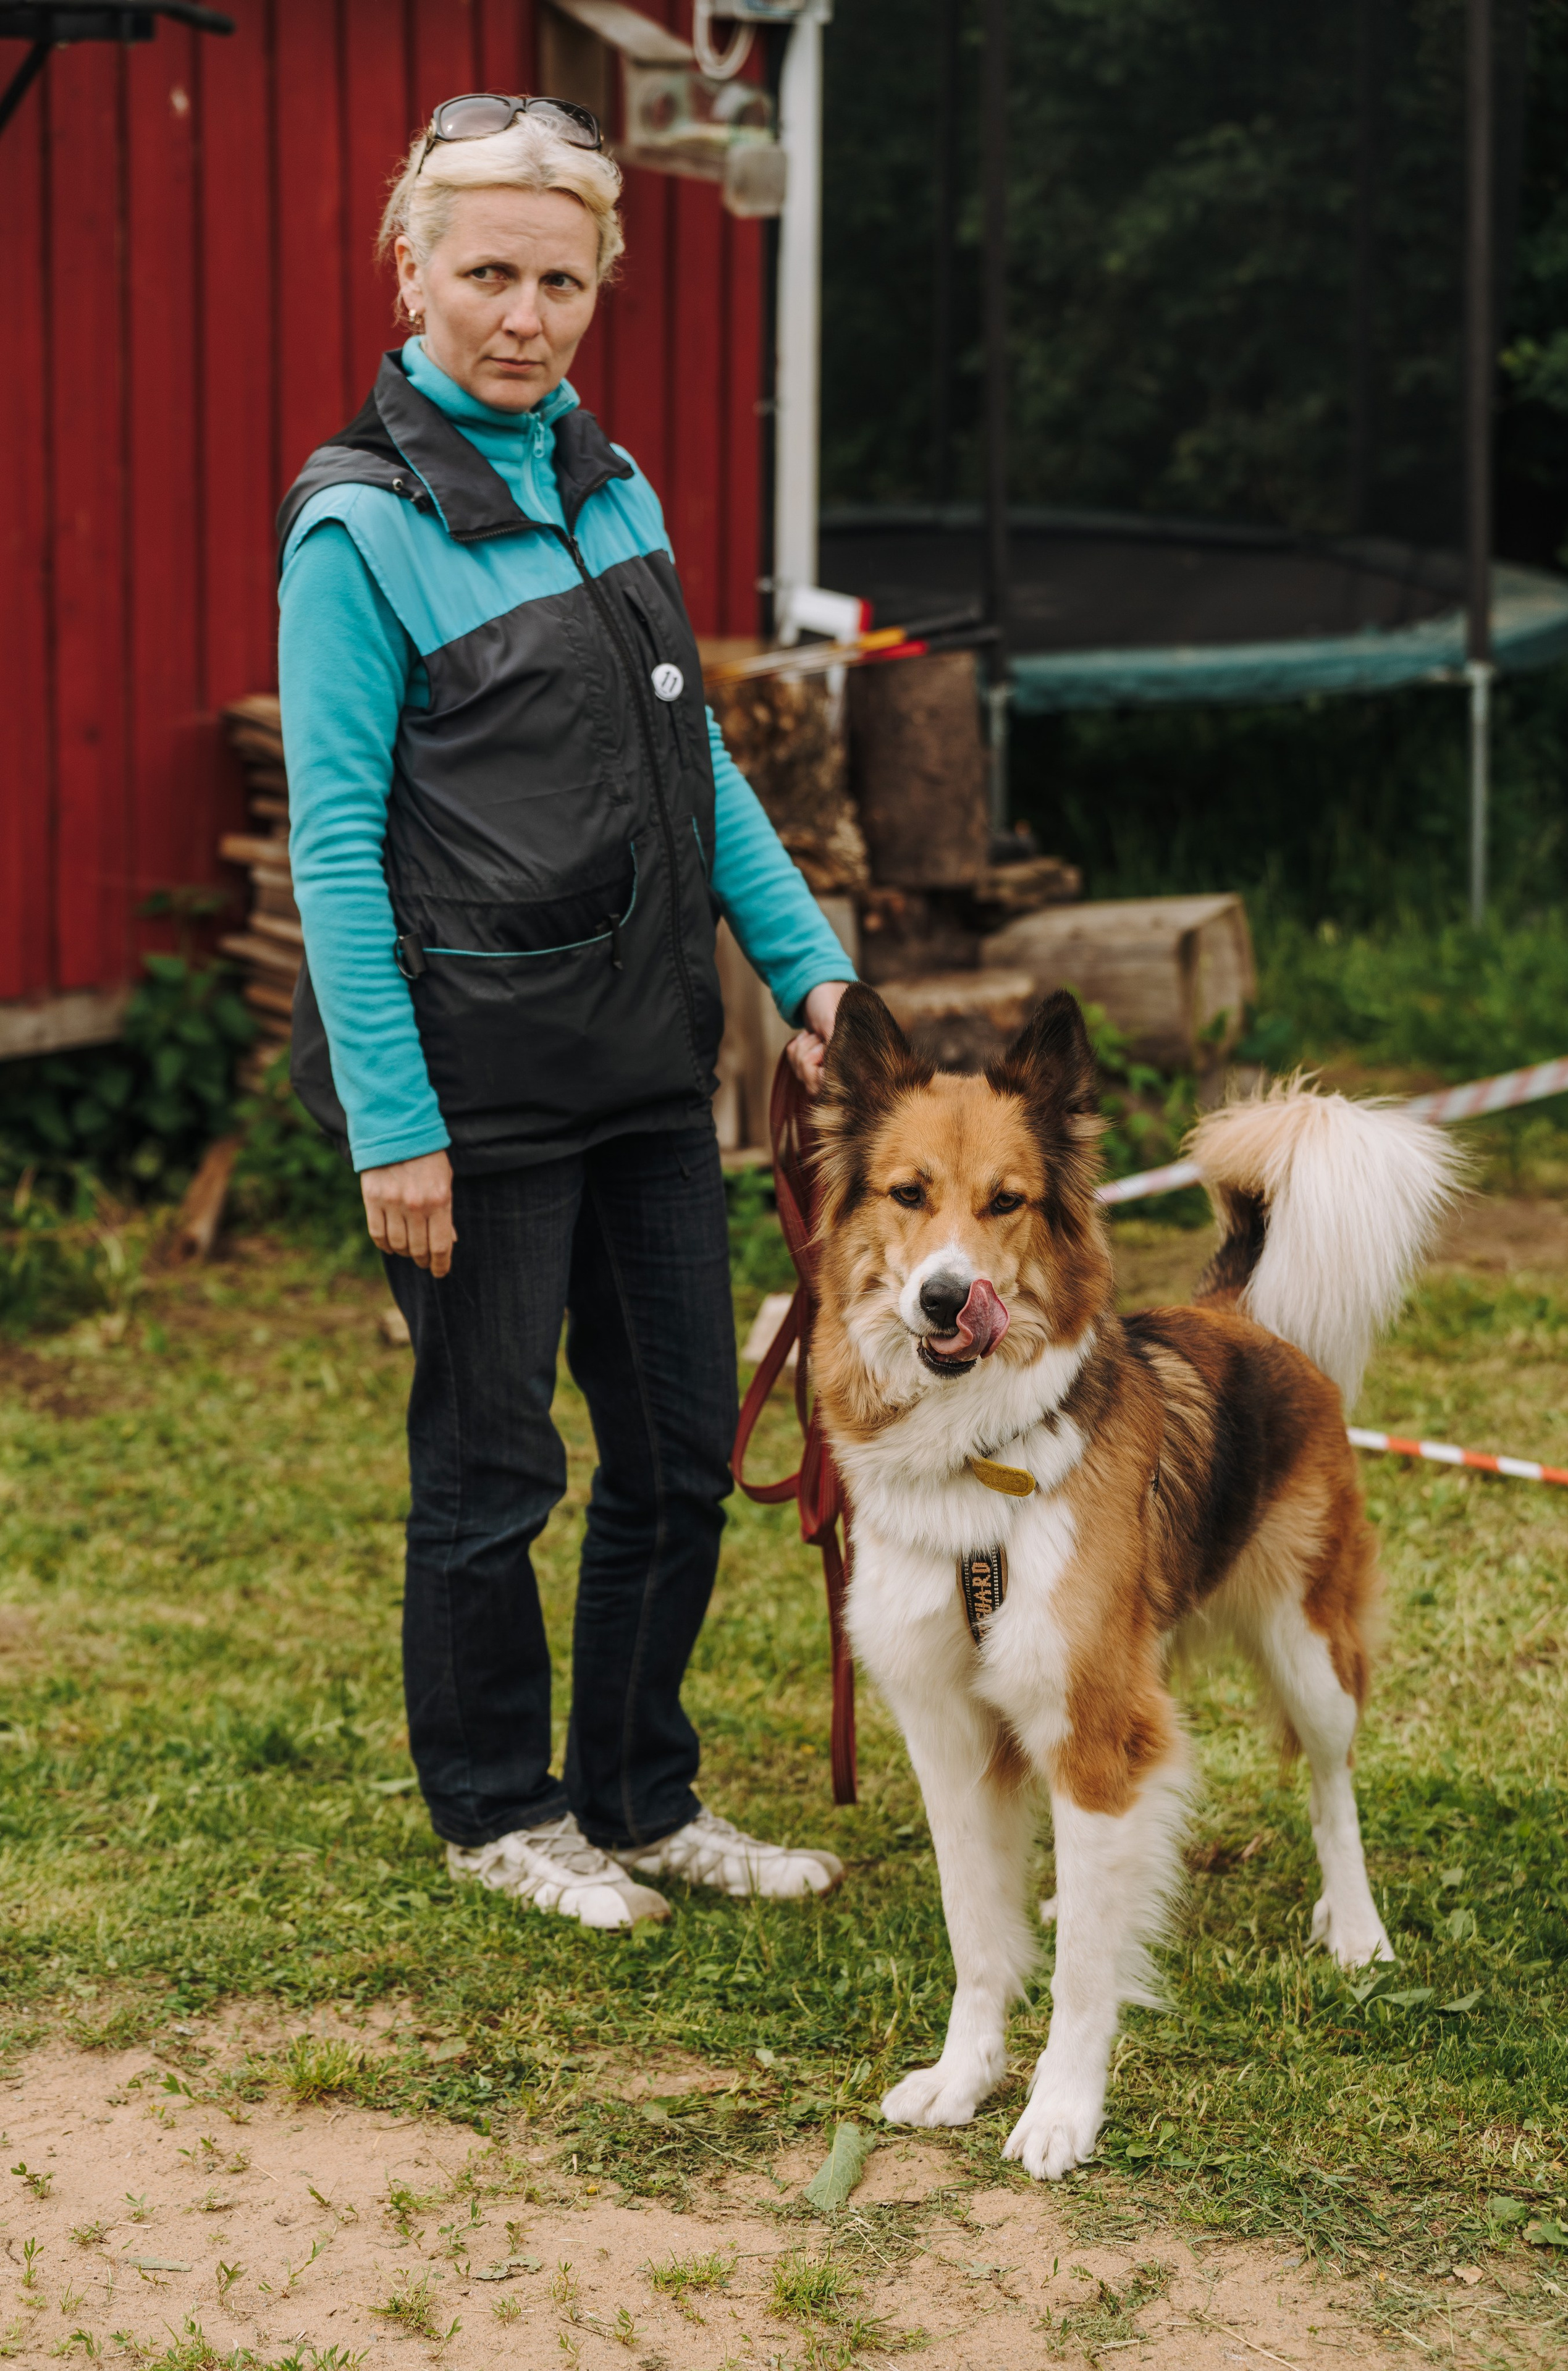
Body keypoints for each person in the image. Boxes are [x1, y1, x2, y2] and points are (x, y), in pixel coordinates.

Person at [276, 93, 855, 1931]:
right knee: (495, 1472)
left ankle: (642, 1797)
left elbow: (709, 787)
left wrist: (812, 971)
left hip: (641, 1074)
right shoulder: (355, 533)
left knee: (684, 1453)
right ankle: (496, 1813)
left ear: (598, 286)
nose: (521, 317)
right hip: (469, 1096)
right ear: (410, 272)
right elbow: (336, 853)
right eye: (485, 275)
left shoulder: (611, 487)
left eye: (558, 281)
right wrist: (394, 1126)